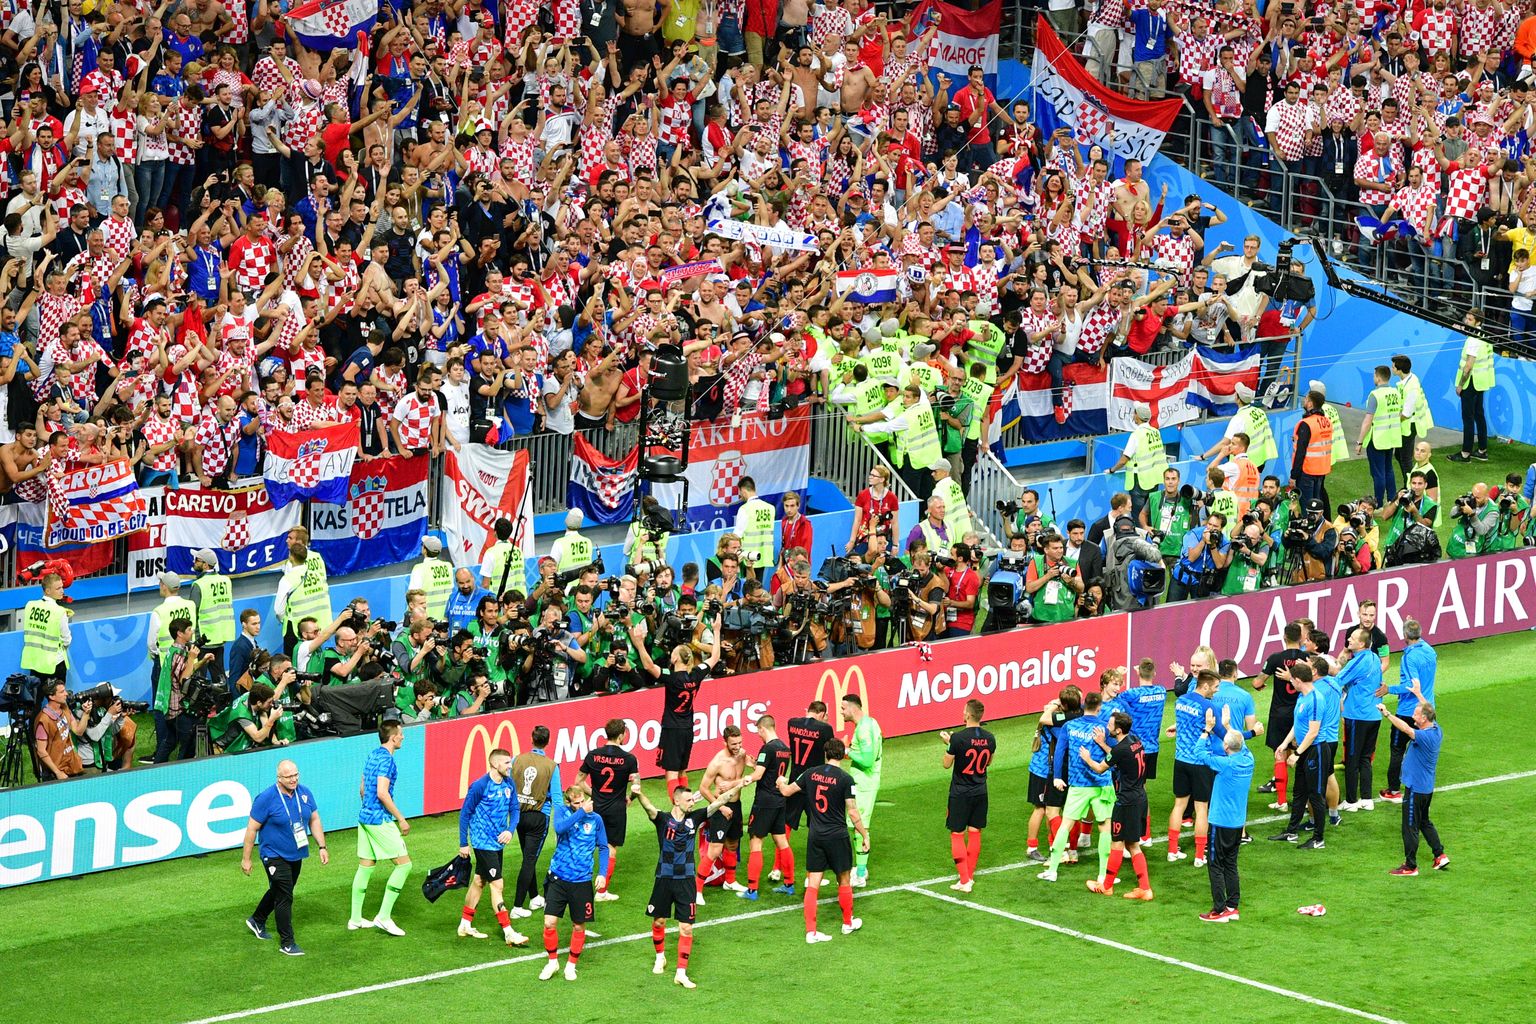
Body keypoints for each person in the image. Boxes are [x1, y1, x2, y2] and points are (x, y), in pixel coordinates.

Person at [633, 774, 750, 988]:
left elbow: (719, 801)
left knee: (686, 928)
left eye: (692, 800)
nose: (692, 802)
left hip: (686, 881)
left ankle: (681, 973)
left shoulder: (694, 818)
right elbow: (648, 807)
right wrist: (639, 793)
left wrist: (739, 785)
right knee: (659, 921)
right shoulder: (663, 820)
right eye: (688, 800)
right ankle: (660, 956)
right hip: (664, 878)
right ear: (676, 800)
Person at [776, 738, 871, 944]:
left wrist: (780, 781)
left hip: (816, 836)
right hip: (837, 836)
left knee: (813, 883)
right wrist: (864, 835)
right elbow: (853, 812)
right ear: (842, 755)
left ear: (825, 754)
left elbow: (786, 791)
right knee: (844, 879)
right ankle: (847, 923)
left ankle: (811, 932)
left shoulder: (810, 773)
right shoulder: (846, 779)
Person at [241, 760, 328, 956]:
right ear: (279, 778)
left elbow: (314, 819)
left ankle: (257, 919)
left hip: (296, 852)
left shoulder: (304, 793)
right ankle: (287, 943)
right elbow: (251, 829)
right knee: (284, 896)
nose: (293, 779)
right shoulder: (266, 798)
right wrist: (246, 859)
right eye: (289, 776)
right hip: (273, 854)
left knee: (281, 889)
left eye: (296, 775)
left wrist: (322, 846)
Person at [632, 616, 721, 797]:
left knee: (671, 771)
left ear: (676, 659)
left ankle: (679, 806)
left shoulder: (671, 678)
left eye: (673, 652)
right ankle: (685, 801)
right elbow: (715, 657)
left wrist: (639, 644)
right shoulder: (696, 674)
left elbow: (649, 666)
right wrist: (717, 631)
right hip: (688, 729)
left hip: (672, 729)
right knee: (682, 770)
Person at [1038, 690, 1113, 884]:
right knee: (1105, 829)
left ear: (1084, 705)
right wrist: (1103, 744)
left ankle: (1052, 870)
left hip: (1078, 785)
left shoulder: (1069, 726)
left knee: (1065, 826)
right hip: (1102, 785)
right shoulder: (1104, 728)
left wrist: (1057, 777)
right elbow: (1115, 753)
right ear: (1099, 708)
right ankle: (1103, 875)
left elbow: (1059, 752)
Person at [458, 747, 531, 947]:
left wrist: (510, 830)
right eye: (507, 763)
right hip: (483, 843)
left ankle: (465, 924)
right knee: (497, 885)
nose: (510, 766)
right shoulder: (480, 786)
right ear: (495, 763)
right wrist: (463, 843)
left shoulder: (509, 783)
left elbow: (515, 809)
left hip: (497, 844)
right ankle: (508, 932)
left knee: (479, 881)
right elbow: (465, 814)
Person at [1080, 711, 1155, 900]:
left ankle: (1106, 886)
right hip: (1140, 797)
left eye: (1111, 724)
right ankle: (1145, 888)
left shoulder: (1120, 750)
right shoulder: (1135, 740)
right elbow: (1119, 756)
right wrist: (1103, 744)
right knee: (1133, 845)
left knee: (1117, 843)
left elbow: (1100, 768)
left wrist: (1087, 758)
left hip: (1125, 802)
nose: (1107, 727)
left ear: (1119, 730)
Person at [537, 784, 609, 982]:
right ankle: (552, 962)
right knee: (549, 923)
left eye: (583, 801)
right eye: (576, 803)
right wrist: (581, 812)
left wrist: (602, 873)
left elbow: (603, 847)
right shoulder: (562, 812)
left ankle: (571, 965)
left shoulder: (596, 819)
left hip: (582, 881)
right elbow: (560, 828)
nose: (581, 805)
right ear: (569, 803)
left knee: (578, 926)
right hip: (558, 878)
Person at [349, 720, 412, 936]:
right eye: (400, 734)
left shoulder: (373, 755)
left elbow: (362, 788)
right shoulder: (387, 761)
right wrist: (401, 819)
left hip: (364, 817)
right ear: (393, 738)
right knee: (404, 865)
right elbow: (382, 793)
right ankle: (384, 917)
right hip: (379, 819)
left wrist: (368, 808)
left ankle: (355, 919)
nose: (403, 737)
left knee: (366, 866)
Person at [1194, 719, 1254, 922]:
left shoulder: (1225, 764)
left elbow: (1199, 753)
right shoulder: (1249, 759)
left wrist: (1206, 730)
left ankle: (1219, 910)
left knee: (1215, 864)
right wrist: (1228, 727)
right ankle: (1232, 906)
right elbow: (1240, 743)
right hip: (1238, 823)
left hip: (1220, 823)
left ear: (1226, 747)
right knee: (1230, 863)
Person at [1379, 701, 1448, 875]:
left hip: (1415, 789)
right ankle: (1439, 854)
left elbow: (1406, 729)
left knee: (1409, 827)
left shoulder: (1424, 736)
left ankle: (1410, 866)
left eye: (1416, 714)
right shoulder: (1436, 730)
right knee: (1424, 821)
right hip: (1426, 788)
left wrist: (1387, 714)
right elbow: (1428, 708)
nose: (1412, 717)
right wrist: (1418, 693)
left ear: (1424, 718)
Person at [576, 719, 639, 902]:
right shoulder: (629, 759)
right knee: (610, 848)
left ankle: (576, 882)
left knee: (586, 845)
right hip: (616, 810)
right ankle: (601, 892)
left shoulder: (592, 755)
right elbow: (636, 787)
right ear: (621, 735)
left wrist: (595, 794)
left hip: (595, 808)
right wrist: (630, 798)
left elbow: (579, 781)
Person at [942, 699, 997, 893]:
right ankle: (969, 877)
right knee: (975, 832)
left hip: (960, 793)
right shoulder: (990, 738)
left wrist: (949, 745)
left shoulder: (957, 738)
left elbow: (946, 764)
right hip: (980, 791)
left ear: (967, 714)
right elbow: (988, 762)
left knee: (957, 834)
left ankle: (964, 881)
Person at [1271, 662, 1328, 849]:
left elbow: (1313, 732)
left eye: (1291, 680)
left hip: (1315, 751)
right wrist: (1284, 743)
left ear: (1297, 680)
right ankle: (1292, 832)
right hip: (1305, 750)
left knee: (1316, 795)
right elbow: (1298, 725)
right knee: (1299, 791)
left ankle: (1318, 839)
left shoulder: (1315, 699)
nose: (1291, 683)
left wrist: (1296, 753)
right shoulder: (1302, 697)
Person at [739, 714, 794, 900]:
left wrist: (747, 777)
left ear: (763, 728)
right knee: (781, 841)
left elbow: (759, 775)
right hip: (779, 800)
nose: (758, 735)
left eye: (758, 731)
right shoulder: (785, 749)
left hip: (764, 802)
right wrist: (754, 764)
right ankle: (789, 884)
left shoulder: (767, 748)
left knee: (756, 841)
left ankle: (752, 890)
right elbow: (772, 770)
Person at [1168, 670, 1219, 865]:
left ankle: (1172, 851)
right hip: (1200, 763)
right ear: (1205, 686)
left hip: (1181, 760)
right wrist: (1251, 733)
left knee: (1179, 805)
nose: (1216, 691)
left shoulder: (1181, 701)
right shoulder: (1208, 706)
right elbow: (1223, 734)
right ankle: (1199, 856)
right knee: (1201, 808)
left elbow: (1185, 723)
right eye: (1215, 687)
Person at [509, 727, 561, 917]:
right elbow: (558, 799)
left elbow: (508, 783)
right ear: (548, 742)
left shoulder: (516, 760)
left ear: (532, 739)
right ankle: (517, 907)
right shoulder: (552, 766)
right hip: (538, 817)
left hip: (518, 816)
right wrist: (561, 827)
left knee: (528, 857)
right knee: (529, 860)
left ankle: (534, 897)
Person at [1384, 618, 1437, 802]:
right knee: (1423, 749)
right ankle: (1421, 783)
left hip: (1408, 712)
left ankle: (1393, 790)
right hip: (1427, 708)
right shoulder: (1430, 650)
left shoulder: (1409, 657)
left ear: (1405, 635)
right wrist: (1410, 624)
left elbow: (1411, 685)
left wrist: (1389, 689)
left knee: (1397, 750)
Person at [696, 724, 750, 903]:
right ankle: (697, 890)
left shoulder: (742, 754)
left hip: (736, 806)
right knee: (715, 849)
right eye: (734, 744)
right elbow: (703, 788)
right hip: (720, 808)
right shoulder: (717, 762)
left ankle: (730, 881)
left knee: (733, 844)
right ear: (725, 742)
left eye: (740, 743)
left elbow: (755, 768)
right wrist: (720, 806)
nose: (737, 747)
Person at [1336, 628, 1384, 812]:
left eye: (1352, 638)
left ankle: (1351, 801)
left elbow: (1338, 680)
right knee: (1365, 758)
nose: (1349, 639)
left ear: (1362, 643)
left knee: (1352, 759)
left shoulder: (1357, 661)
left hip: (1357, 716)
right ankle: (1366, 798)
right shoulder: (1374, 658)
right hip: (1374, 715)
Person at [843, 692, 883, 887]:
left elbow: (867, 761)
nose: (841, 712)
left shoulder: (864, 730)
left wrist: (847, 751)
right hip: (864, 782)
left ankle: (860, 874)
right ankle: (860, 868)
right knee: (857, 825)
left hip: (865, 784)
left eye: (843, 708)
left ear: (853, 708)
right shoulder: (869, 723)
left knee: (860, 827)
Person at [275, 527, 331, 658]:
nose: (286, 541)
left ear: (299, 542)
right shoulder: (318, 557)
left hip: (299, 626)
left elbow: (282, 604)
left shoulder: (292, 563)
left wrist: (284, 619)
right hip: (319, 623)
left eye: (290, 538)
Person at [1106, 402, 1168, 518]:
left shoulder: (1136, 435)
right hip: (1154, 480)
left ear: (1138, 416)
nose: (1133, 415)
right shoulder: (1156, 432)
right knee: (1150, 515)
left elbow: (1124, 459)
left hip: (1139, 482)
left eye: (1134, 413)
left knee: (1139, 516)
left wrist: (1111, 470)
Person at [1356, 365, 1403, 505]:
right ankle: (1392, 500)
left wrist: (1359, 442)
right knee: (1388, 470)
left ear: (1378, 377)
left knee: (1378, 473)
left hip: (1377, 439)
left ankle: (1378, 503)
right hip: (1391, 438)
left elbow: (1367, 421)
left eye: (1374, 375)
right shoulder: (1395, 392)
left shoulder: (1375, 395)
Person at [1449, 314, 1494, 463]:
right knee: (1479, 415)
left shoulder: (1473, 340)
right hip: (1480, 382)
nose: (1466, 321)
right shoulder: (1484, 335)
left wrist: (1460, 384)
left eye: (1470, 319)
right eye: (1466, 318)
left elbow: (1468, 366)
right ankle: (1482, 450)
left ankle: (1465, 454)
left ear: (1478, 322)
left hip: (1471, 382)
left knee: (1468, 418)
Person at [188, 548, 235, 690]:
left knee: (198, 681)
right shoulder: (226, 581)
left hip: (203, 640)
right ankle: (224, 703)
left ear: (205, 565)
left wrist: (192, 641)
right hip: (220, 637)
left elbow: (192, 614)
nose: (194, 562)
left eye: (197, 560)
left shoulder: (199, 585)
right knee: (220, 679)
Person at [19, 572, 72, 686]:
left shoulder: (30, 606)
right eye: (58, 588)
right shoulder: (59, 611)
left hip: (35, 663)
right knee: (57, 697)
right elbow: (67, 640)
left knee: (36, 696)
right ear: (47, 591)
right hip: (55, 664)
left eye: (62, 587)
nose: (62, 591)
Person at [33, 680, 89, 781]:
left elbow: (78, 731)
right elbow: (41, 751)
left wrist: (86, 713)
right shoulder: (44, 720)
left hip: (71, 766)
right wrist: (57, 772)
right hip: (56, 773)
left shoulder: (65, 709)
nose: (66, 694)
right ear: (52, 696)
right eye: (62, 692)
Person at [734, 476, 776, 577]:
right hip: (763, 556)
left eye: (740, 493)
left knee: (747, 585)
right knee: (757, 585)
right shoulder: (770, 508)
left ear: (743, 490)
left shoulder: (744, 509)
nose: (740, 496)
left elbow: (737, 536)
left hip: (747, 558)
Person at [408, 536, 454, 619]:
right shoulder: (448, 566)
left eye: (422, 545)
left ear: (425, 550)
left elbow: (413, 597)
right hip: (446, 617)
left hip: (426, 618)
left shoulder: (419, 568)